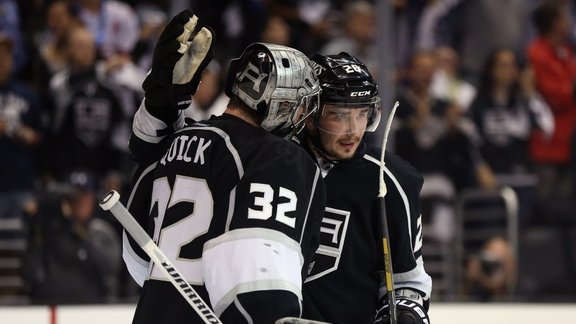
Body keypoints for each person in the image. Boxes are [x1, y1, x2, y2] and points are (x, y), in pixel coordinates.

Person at [119, 10, 326, 323]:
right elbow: (257, 290)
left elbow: (136, 256)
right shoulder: (275, 157)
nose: (300, 118)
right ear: (279, 105)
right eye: (298, 106)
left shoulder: (176, 141)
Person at [299, 52, 432, 324]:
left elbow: (408, 281)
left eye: (361, 115)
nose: (353, 131)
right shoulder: (277, 164)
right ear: (310, 115)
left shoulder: (390, 179)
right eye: (339, 115)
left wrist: (405, 313)